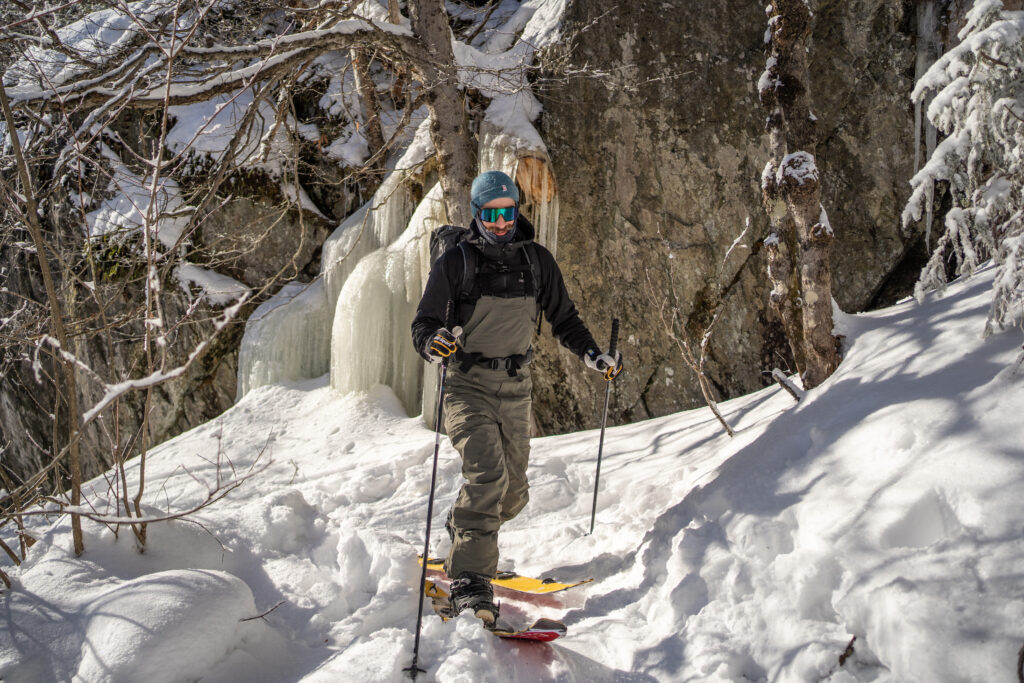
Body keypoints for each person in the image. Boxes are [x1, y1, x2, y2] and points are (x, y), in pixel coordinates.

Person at [411, 170, 623, 624]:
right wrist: (434, 343)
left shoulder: (536, 261)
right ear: (477, 214)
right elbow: (423, 324)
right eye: (492, 214)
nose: (502, 222)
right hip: (468, 386)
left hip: (516, 387)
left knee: (513, 493)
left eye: (508, 213)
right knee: (487, 475)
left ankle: (462, 530)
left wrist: (593, 355)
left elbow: (564, 317)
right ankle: (470, 582)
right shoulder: (457, 263)